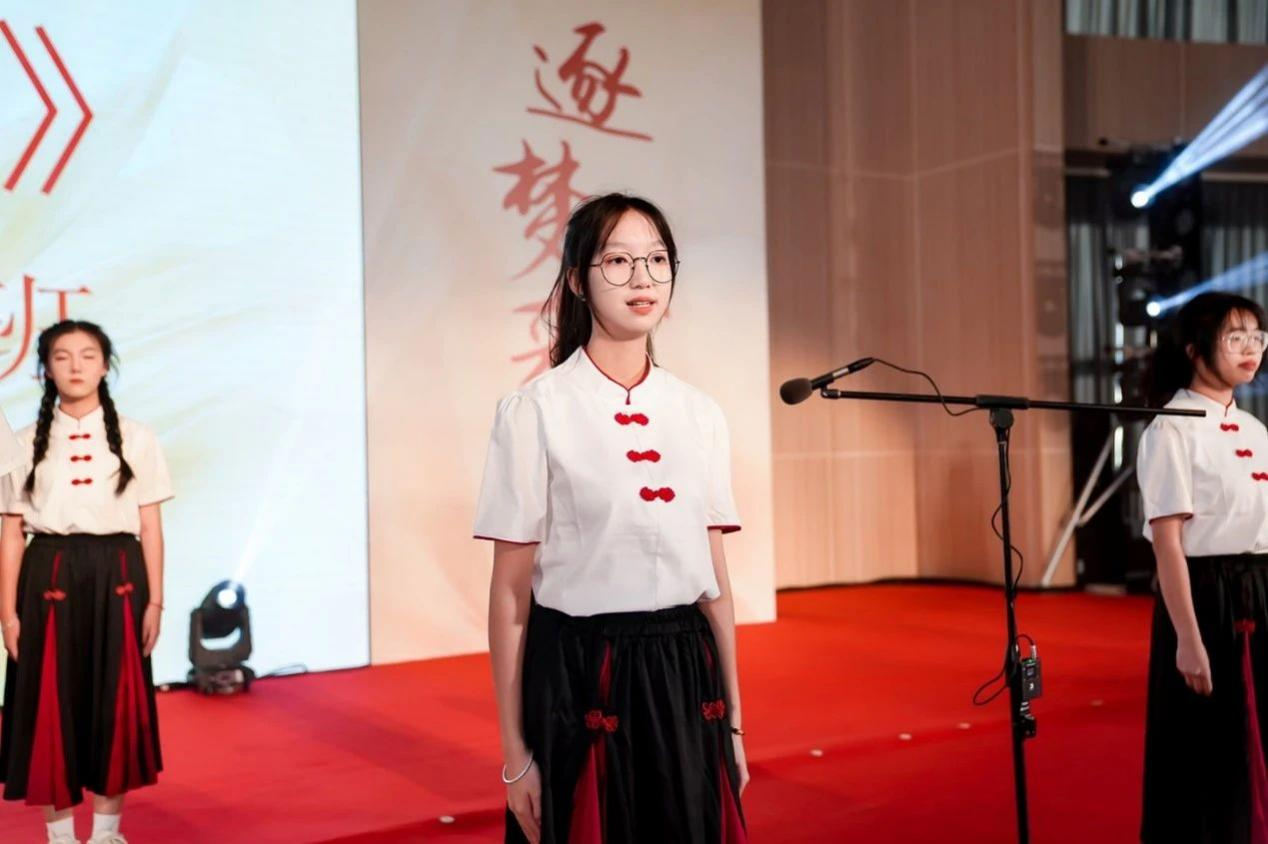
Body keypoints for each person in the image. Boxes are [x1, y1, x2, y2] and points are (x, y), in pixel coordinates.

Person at [475, 194, 749, 843]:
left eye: (657, 260)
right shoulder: (535, 410)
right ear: (577, 279)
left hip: (686, 675)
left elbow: (715, 582)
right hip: (582, 676)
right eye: (619, 261)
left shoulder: (700, 413)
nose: (642, 278)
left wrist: (735, 725)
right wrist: (515, 756)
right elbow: (510, 595)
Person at [0, 321, 172, 844]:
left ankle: (105, 834)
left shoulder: (138, 437)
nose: (76, 366)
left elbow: (150, 527)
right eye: (62, 356)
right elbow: (11, 534)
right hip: (47, 573)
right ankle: (59, 837)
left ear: (105, 365)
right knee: (47, 701)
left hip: (119, 574)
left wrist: (156, 602)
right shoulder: (20, 443)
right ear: (45, 369)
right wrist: (7, 615)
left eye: (88, 355)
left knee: (114, 697)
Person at [1138, 292, 1268, 843]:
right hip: (1205, 596)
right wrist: (1188, 641)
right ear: (1195, 349)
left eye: (1257, 336)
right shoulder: (1170, 429)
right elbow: (1167, 544)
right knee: (1210, 751)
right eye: (1235, 337)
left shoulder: (1256, 429)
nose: (1251, 348)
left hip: (1259, 588)